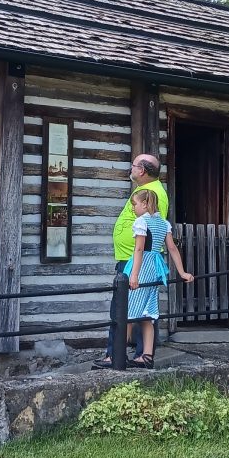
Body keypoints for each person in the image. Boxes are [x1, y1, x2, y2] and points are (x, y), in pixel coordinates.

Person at [92, 154, 168, 369]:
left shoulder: (153, 193)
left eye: (134, 165)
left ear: (142, 170)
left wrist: (135, 268)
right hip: (131, 258)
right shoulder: (146, 191)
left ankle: (117, 356)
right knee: (136, 309)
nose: (131, 169)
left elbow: (153, 229)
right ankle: (135, 355)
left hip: (135, 260)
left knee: (126, 309)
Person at [124, 189, 193, 368]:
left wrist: (134, 275)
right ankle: (147, 356)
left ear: (145, 204)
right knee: (147, 315)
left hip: (142, 266)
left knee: (128, 313)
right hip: (156, 267)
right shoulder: (164, 223)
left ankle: (118, 354)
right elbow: (172, 249)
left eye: (135, 204)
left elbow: (139, 250)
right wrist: (182, 272)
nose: (133, 208)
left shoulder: (141, 222)